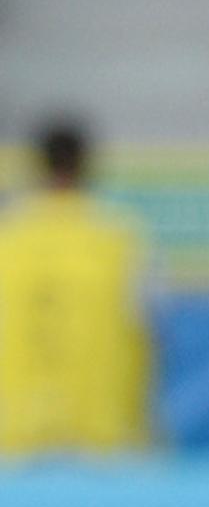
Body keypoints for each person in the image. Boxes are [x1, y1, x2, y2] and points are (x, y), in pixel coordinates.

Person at [0, 117, 158, 458]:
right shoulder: (120, 237)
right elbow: (151, 329)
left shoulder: (8, 236)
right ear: (88, 165)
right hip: (102, 444)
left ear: (35, 165)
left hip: (14, 448)